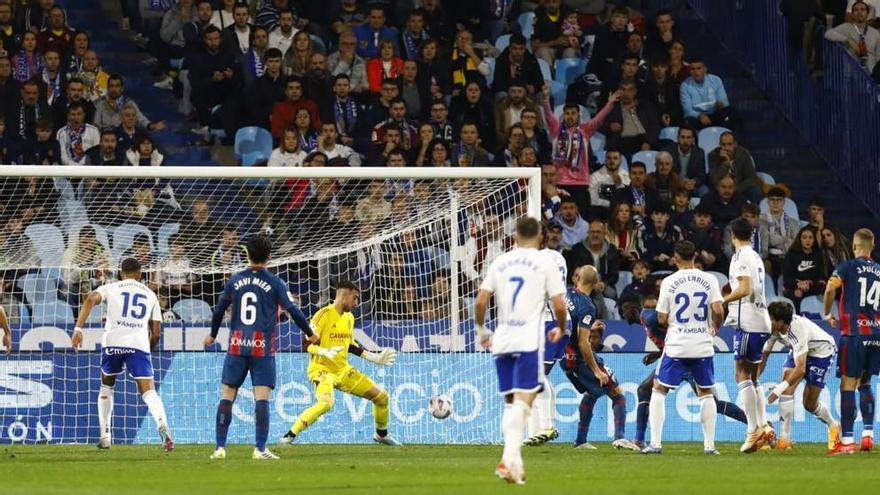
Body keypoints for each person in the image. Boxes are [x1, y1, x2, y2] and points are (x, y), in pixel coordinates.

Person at [203, 234, 318, 460]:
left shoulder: (235, 280)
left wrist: (212, 334)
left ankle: (219, 448)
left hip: (236, 346)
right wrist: (310, 333)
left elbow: (218, 311)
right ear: (269, 256)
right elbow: (293, 311)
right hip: (261, 349)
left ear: (247, 255)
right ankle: (260, 448)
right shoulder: (276, 283)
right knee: (261, 398)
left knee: (227, 395)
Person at [474, 216, 568, 484]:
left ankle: (513, 463)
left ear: (514, 236)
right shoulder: (544, 262)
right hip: (528, 341)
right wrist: (560, 329)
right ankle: (508, 459)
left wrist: (482, 331)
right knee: (524, 402)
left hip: (502, 339)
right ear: (540, 237)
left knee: (511, 404)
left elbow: (481, 302)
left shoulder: (500, 261)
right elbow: (559, 306)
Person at [70, 257, 174, 452]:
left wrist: (78, 329)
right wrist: (147, 349)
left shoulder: (112, 287)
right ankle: (162, 425)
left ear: (121, 273)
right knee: (149, 391)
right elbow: (157, 332)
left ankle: (105, 436)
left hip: (113, 343)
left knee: (106, 386)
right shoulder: (150, 294)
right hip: (139, 344)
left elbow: (91, 298)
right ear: (141, 275)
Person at [280, 280, 400, 446]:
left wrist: (374, 357)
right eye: (355, 298)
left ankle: (381, 434)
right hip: (321, 370)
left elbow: (350, 345)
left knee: (381, 396)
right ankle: (289, 435)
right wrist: (323, 351)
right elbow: (306, 344)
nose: (356, 303)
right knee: (326, 403)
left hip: (343, 370)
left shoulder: (349, 317)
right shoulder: (323, 314)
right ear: (344, 295)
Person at [641, 240, 725, 455]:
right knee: (706, 393)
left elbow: (661, 317)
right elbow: (718, 308)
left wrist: (668, 320)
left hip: (677, 345)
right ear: (695, 256)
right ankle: (709, 446)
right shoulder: (710, 279)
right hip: (702, 345)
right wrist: (716, 326)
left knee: (659, 389)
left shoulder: (669, 281)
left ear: (676, 258)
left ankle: (656, 444)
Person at [634, 302, 746, 449]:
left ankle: (756, 425)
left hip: (684, 360)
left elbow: (674, 329)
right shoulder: (647, 322)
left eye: (625, 309)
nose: (624, 313)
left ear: (633, 309)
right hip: (676, 357)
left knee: (714, 403)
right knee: (644, 389)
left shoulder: (647, 317)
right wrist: (657, 354)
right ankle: (639, 440)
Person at [557, 265, 638, 451]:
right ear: (595, 284)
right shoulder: (587, 306)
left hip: (563, 357)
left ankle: (580, 441)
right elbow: (584, 343)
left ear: (577, 278)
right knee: (617, 393)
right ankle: (620, 438)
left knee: (591, 393)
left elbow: (570, 324)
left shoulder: (565, 294)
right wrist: (596, 370)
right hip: (579, 358)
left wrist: (589, 326)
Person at [824, 228, 880, 454]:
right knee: (865, 383)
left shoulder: (848, 266)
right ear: (872, 247)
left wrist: (828, 312)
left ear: (855, 246)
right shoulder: (879, 270)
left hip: (855, 334)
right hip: (876, 334)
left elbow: (830, 287)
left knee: (847, 384)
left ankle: (847, 441)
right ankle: (868, 434)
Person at [722, 216, 775, 453]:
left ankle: (753, 430)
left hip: (748, 321)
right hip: (761, 320)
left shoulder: (741, 257)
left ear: (733, 235)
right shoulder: (755, 256)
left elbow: (745, 288)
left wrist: (721, 300)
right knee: (753, 378)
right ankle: (764, 426)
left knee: (740, 374)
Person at [760, 301, 840, 450]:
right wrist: (754, 380)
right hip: (800, 351)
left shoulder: (796, 329)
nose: (767, 321)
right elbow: (764, 355)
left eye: (770, 318)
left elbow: (800, 369)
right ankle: (784, 441)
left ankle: (833, 425)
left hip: (822, 352)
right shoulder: (773, 329)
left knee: (809, 403)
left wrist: (778, 390)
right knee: (786, 389)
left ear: (781, 322)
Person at [522, 232, 572, 446]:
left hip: (549, 323)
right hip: (560, 321)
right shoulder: (558, 258)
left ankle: (546, 426)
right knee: (540, 376)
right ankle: (544, 427)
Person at [543, 84, 620, 219]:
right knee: (560, 218)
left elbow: (599, 118)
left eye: (573, 113)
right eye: (567, 113)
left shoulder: (586, 130)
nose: (570, 116)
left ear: (578, 115)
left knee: (583, 217)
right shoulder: (556, 130)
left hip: (581, 183)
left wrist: (610, 104)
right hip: (561, 183)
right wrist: (545, 98)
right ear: (563, 115)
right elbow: (548, 115)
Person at [565, 221, 621, 300]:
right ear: (588, 233)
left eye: (598, 232)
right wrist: (589, 284)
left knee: (612, 295)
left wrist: (603, 284)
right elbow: (575, 271)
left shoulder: (611, 250)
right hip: (583, 284)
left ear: (604, 234)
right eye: (592, 232)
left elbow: (614, 275)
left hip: (603, 285)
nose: (595, 235)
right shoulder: (578, 249)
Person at [680, 57, 736, 131]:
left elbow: (725, 103)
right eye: (693, 69)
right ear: (690, 71)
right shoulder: (685, 86)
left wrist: (721, 104)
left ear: (705, 70)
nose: (696, 72)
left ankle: (728, 139)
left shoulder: (716, 80)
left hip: (714, 114)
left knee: (730, 112)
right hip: (696, 117)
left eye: (699, 68)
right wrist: (699, 115)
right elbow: (687, 110)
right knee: (688, 121)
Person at [825, 1, 880, 72]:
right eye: (856, 10)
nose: (859, 13)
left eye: (862, 10)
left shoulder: (875, 33)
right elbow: (828, 34)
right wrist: (848, 40)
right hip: (850, 69)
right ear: (853, 14)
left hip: (870, 73)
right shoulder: (847, 27)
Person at [707, 131, 761, 205]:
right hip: (721, 189)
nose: (726, 148)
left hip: (739, 187)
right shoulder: (713, 155)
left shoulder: (744, 154)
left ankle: (753, 213)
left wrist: (735, 189)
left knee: (755, 190)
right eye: (723, 144)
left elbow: (751, 178)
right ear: (719, 144)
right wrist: (726, 164)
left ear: (735, 144)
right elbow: (714, 180)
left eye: (730, 144)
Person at [782, 227, 829, 311]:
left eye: (810, 237)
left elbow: (820, 276)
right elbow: (787, 277)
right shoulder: (791, 254)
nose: (807, 240)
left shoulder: (818, 255)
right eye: (804, 237)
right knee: (798, 293)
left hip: (812, 286)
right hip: (795, 287)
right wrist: (798, 284)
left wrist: (816, 282)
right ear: (800, 239)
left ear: (814, 240)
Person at [759, 187, 800, 281]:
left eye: (779, 200)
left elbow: (796, 244)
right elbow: (764, 241)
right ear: (768, 202)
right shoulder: (760, 221)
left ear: (784, 202)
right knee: (764, 265)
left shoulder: (792, 223)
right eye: (772, 200)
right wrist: (784, 239)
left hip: (786, 256)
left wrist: (772, 239)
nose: (775, 203)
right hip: (767, 256)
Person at [665, 126, 706, 196]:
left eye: (688, 137)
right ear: (678, 138)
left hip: (692, 185)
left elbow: (701, 174)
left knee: (705, 192)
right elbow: (666, 174)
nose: (685, 141)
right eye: (683, 137)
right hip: (674, 184)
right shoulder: (668, 152)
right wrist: (681, 183)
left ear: (693, 139)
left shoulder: (699, 152)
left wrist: (694, 181)